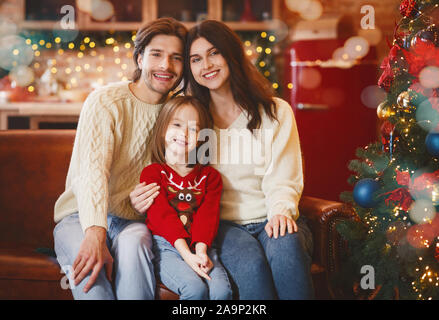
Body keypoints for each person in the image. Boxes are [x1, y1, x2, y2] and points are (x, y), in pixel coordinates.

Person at [52, 17, 187, 300]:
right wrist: (95, 231)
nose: (166, 66)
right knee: (91, 276)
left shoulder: (180, 111)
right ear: (140, 58)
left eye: (176, 58)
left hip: (133, 221)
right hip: (80, 216)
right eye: (156, 55)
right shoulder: (106, 101)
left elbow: (186, 175)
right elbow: (93, 172)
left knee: (136, 243)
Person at [184, 20, 314, 300]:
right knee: (251, 265)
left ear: (231, 54)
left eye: (213, 53)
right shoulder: (191, 121)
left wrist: (281, 211)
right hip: (224, 226)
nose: (206, 65)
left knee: (285, 248)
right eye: (196, 59)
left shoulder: (276, 112)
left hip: (272, 214)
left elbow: (284, 176)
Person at [139, 96, 232, 300]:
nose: (184, 133)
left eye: (193, 128)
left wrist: (200, 252)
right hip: (167, 246)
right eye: (177, 124)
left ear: (201, 138)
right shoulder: (153, 173)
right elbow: (161, 216)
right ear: (163, 129)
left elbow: (207, 217)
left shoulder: (210, 177)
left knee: (221, 292)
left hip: (203, 246)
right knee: (194, 290)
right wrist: (186, 255)